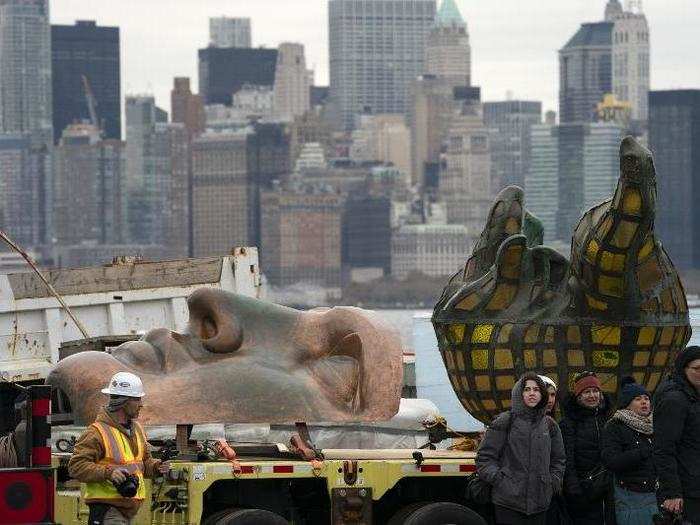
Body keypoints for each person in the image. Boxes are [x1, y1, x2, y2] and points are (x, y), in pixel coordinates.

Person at [68, 372, 169, 525]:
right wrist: (109, 473)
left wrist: (156, 467)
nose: (141, 404)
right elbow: (76, 467)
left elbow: (143, 463)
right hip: (108, 511)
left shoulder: (137, 430)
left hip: (127, 511)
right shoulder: (96, 432)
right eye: (137, 399)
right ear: (123, 402)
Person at [476, 372, 566, 524]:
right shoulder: (506, 421)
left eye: (536, 389)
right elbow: (485, 458)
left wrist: (552, 482)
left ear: (542, 394)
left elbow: (558, 460)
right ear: (519, 393)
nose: (532, 393)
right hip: (509, 503)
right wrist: (501, 481)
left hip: (540, 504)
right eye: (527, 389)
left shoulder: (550, 425)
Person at [559, 371, 615, 524]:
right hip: (584, 491)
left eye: (595, 391)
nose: (592, 395)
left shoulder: (609, 420)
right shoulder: (568, 424)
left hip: (609, 489)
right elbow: (567, 459)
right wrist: (574, 490)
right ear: (578, 397)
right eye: (587, 392)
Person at [654, 346, 700, 524]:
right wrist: (672, 492)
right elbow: (663, 449)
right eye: (697, 369)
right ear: (683, 369)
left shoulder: (693, 397)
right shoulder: (674, 400)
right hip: (686, 491)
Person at [601, 377, 656, 524]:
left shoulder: (656, 424)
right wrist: (642, 452)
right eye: (638, 399)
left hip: (657, 493)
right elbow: (611, 461)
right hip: (631, 495)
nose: (644, 402)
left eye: (646, 398)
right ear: (627, 404)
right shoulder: (615, 426)